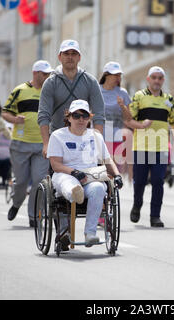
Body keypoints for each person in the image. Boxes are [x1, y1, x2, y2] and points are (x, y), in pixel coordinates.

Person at [47, 100, 123, 249]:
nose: (81, 119)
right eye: (76, 115)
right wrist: (74, 172)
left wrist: (117, 175)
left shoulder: (96, 136)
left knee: (99, 188)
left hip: (90, 176)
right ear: (69, 117)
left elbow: (108, 160)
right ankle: (74, 196)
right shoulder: (58, 135)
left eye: (85, 116)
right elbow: (55, 164)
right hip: (65, 173)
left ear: (89, 118)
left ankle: (90, 233)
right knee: (70, 185)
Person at [99, 61, 152, 226]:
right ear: (106, 75)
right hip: (98, 138)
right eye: (115, 75)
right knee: (100, 176)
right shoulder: (96, 91)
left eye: (119, 75)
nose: (118, 77)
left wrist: (123, 107)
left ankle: (107, 211)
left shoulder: (122, 92)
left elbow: (128, 119)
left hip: (116, 140)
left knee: (112, 176)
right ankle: (100, 211)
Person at [2, 60, 53, 227]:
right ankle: (16, 203)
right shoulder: (20, 91)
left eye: (48, 74)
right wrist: (15, 119)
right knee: (21, 182)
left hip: (42, 144)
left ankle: (34, 216)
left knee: (39, 181)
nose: (47, 77)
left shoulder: (51, 92)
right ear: (35, 73)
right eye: (44, 74)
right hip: (21, 144)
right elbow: (5, 112)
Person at [129, 66, 174, 228]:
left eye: (160, 78)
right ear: (148, 79)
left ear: (163, 80)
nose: (157, 81)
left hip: (161, 148)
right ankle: (137, 206)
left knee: (158, 181)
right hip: (141, 147)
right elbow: (129, 120)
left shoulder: (169, 100)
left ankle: (155, 216)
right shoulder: (139, 97)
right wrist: (141, 124)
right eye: (154, 77)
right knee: (140, 181)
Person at [38, 40, 105, 159]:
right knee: (58, 175)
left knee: (87, 176)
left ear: (79, 57)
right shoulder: (50, 82)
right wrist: (46, 144)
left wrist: (98, 143)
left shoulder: (90, 81)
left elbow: (99, 114)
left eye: (73, 54)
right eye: (66, 54)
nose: (70, 57)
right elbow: (44, 115)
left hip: (84, 140)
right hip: (57, 138)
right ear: (60, 57)